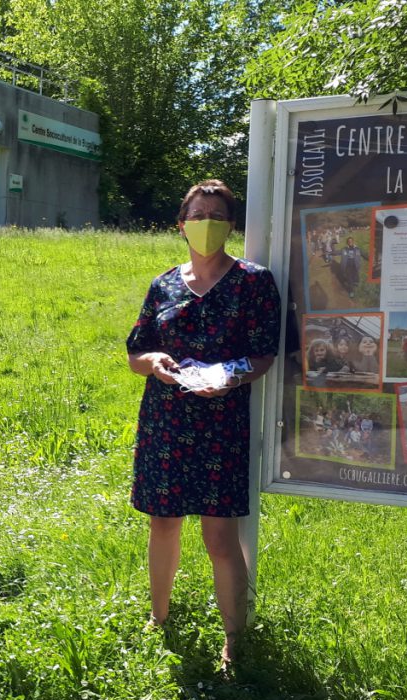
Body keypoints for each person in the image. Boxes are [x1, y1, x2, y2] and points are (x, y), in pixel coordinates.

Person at [126, 179, 281, 666]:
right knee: (163, 521)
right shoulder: (164, 284)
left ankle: (235, 642)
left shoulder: (254, 282)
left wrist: (229, 379)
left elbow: (262, 354)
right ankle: (159, 618)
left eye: (217, 215)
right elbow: (135, 351)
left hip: (221, 423)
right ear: (181, 224)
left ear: (231, 224)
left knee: (220, 536)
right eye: (198, 215)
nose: (207, 224)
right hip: (166, 421)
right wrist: (153, 362)